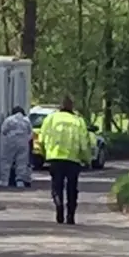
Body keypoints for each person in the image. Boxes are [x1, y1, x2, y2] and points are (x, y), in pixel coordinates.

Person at [38, 96, 91, 225]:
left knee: (57, 186)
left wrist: (44, 154)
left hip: (55, 158)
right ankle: (71, 215)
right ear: (72, 106)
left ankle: (59, 206)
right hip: (73, 159)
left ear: (59, 106)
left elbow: (41, 139)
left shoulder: (50, 119)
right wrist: (86, 159)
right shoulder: (78, 121)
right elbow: (84, 143)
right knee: (72, 188)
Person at [0, 106, 32, 188]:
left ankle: (4, 180)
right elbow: (30, 132)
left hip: (10, 141)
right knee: (22, 162)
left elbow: (3, 130)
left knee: (6, 160)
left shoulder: (9, 119)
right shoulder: (26, 120)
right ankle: (19, 181)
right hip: (23, 142)